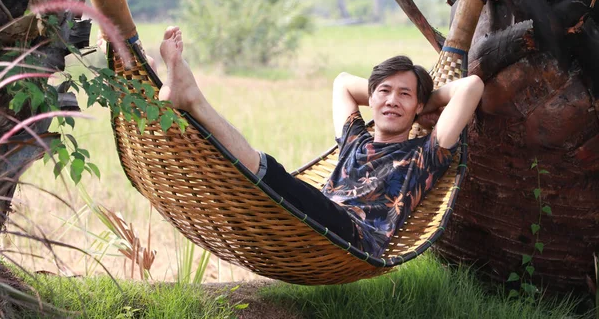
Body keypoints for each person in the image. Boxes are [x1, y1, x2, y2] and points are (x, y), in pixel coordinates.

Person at [158, 26, 484, 258]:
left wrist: (423, 103)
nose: (392, 101)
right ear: (371, 98)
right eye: (384, 91)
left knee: (272, 177)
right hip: (312, 216)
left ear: (418, 106)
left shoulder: (424, 156)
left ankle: (193, 100)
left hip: (352, 237)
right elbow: (342, 82)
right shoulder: (354, 139)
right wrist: (391, 97)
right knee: (249, 186)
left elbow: (470, 87)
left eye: (404, 95)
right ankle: (166, 83)